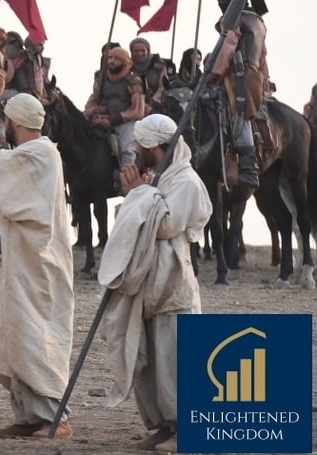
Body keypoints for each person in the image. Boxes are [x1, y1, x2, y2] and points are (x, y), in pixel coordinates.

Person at [98, 114, 212, 454]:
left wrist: (137, 194)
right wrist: (141, 193)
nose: (136, 152)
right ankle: (162, 425)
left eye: (141, 147)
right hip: (148, 285)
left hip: (172, 284)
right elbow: (137, 219)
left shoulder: (186, 182)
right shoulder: (159, 179)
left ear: (157, 147)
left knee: (174, 360)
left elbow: (165, 224)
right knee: (149, 362)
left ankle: (185, 428)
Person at [0, 94, 74, 438]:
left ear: (15, 121)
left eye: (5, 121)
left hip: (38, 263)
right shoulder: (16, 158)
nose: (3, 128)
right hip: (15, 263)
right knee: (15, 337)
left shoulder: (41, 153)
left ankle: (54, 417)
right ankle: (28, 417)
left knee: (35, 335)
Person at [208, 0, 269, 189]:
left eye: (222, 3)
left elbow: (228, 48)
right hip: (254, 76)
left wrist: (212, 73)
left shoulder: (236, 19)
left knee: (238, 114)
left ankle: (249, 168)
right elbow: (263, 56)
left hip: (238, 77)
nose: (220, 7)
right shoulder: (257, 21)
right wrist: (265, 80)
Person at [83, 46, 146, 169]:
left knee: (128, 148)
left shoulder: (133, 81)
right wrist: (92, 114)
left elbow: (138, 111)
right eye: (110, 58)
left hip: (126, 122)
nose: (112, 61)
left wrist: (114, 119)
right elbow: (94, 100)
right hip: (104, 117)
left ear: (125, 62)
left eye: (116, 59)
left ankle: (126, 180)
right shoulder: (101, 78)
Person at [129, 38, 165, 116]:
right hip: (132, 106)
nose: (140, 54)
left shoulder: (159, 67)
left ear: (148, 51)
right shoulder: (126, 66)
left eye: (142, 50)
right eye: (136, 51)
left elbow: (162, 87)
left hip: (155, 106)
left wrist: (152, 102)